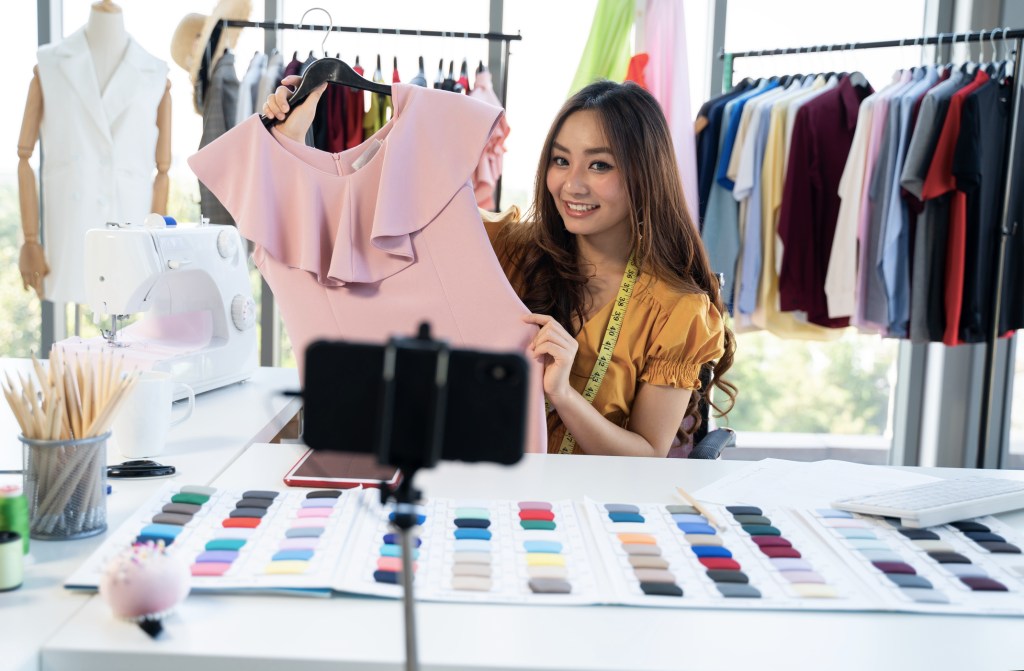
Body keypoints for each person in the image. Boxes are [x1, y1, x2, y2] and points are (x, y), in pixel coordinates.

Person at [263, 78, 736, 457]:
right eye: (560, 160)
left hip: (589, 506)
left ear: (643, 173)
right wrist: (292, 145)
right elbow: (360, 225)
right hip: (477, 482)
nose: (571, 184)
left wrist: (563, 394)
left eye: (599, 166)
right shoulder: (507, 247)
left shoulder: (679, 310)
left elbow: (646, 457)